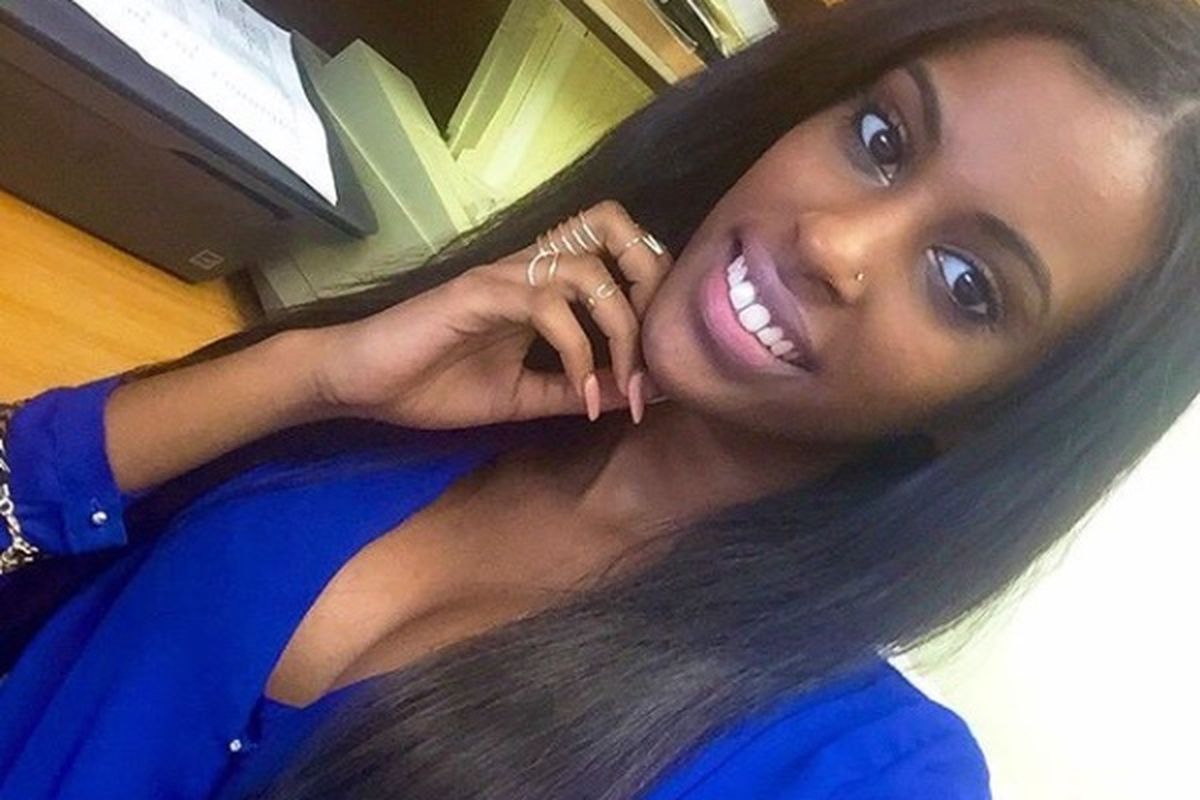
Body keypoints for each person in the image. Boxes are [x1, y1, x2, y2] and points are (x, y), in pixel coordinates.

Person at [2, 0, 1198, 796]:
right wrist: (309, 374)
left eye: (966, 284)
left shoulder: (861, 771)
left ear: (1007, 414)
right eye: (882, 137)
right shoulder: (434, 400)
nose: (835, 242)